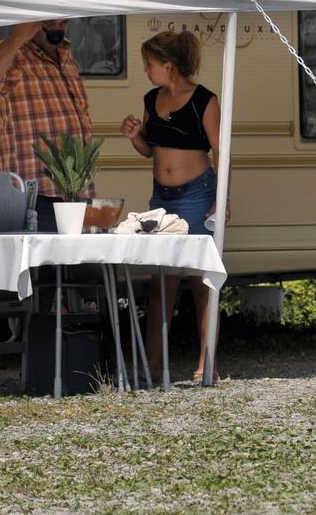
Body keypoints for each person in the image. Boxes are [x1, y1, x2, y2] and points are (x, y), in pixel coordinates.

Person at [121, 30, 228, 382]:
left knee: (200, 280)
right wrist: (136, 136)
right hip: (161, 200)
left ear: (168, 65)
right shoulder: (152, 99)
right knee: (160, 283)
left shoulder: (204, 100)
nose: (147, 71)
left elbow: (221, 151)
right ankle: (151, 368)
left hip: (197, 195)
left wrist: (222, 197)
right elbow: (151, 150)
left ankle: (206, 363)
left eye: (150, 64)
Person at [0, 19, 94, 231]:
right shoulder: (14, 53)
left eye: (64, 22)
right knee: (41, 263)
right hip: (34, 193)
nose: (58, 28)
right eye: (50, 22)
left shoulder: (65, 53)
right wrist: (17, 37)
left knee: (75, 261)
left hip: (75, 190)